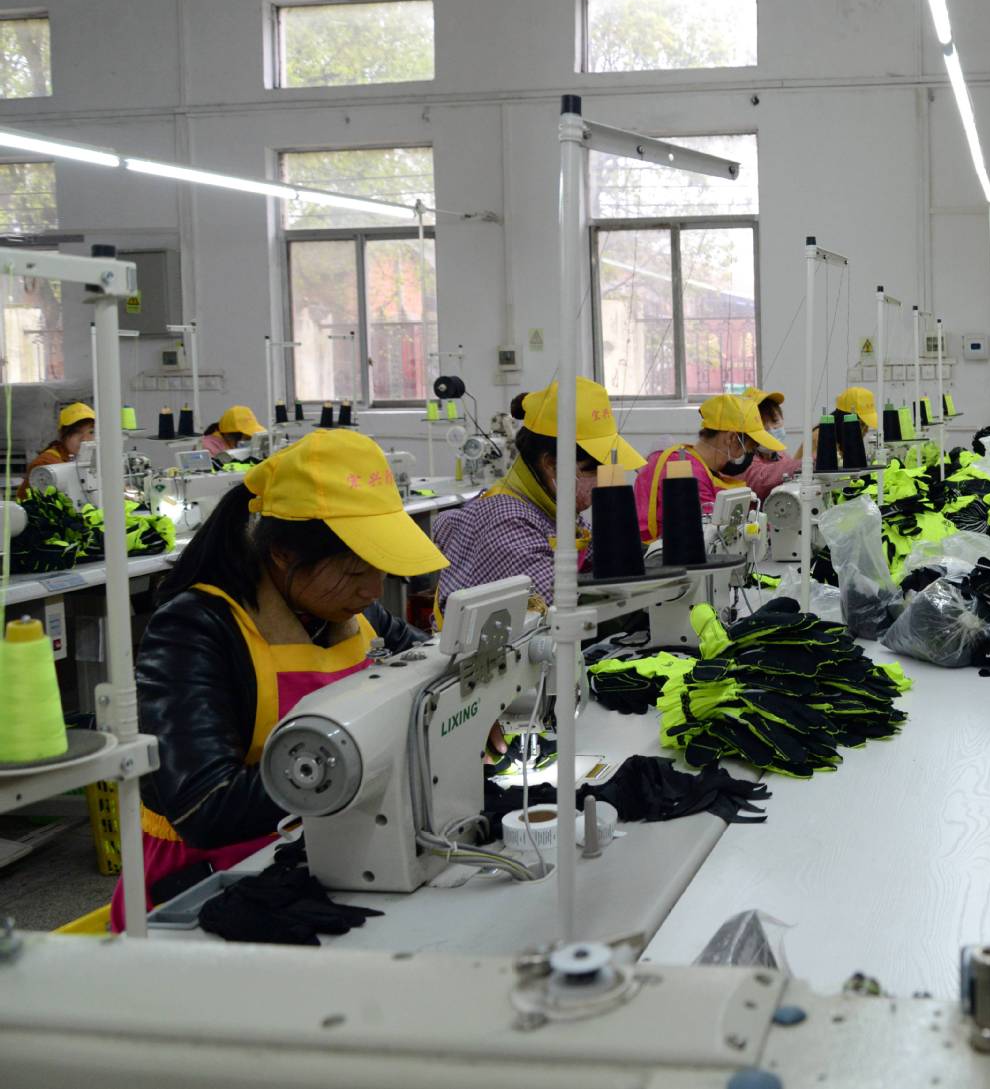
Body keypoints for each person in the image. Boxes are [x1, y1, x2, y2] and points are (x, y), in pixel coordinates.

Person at [112, 429, 446, 928]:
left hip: (320, 850)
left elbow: (429, 667)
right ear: (284, 553)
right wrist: (359, 759)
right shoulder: (195, 628)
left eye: (379, 570)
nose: (373, 590)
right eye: (355, 571)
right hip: (209, 888)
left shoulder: (351, 611)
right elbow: (205, 808)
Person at [434, 377, 638, 608]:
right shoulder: (507, 520)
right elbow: (560, 606)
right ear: (551, 464)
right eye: (595, 471)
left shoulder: (555, 510)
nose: (604, 481)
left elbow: (606, 557)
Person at [632, 393, 784, 543]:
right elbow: (715, 537)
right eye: (750, 447)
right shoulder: (688, 473)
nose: (748, 454)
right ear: (731, 438)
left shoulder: (700, 466)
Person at [725, 387, 803, 499]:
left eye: (775, 421)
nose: (770, 429)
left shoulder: (782, 455)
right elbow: (761, 480)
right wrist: (805, 464)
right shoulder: (741, 459)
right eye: (761, 424)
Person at [17, 401, 95, 499]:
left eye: (91, 432)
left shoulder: (89, 458)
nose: (85, 439)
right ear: (62, 434)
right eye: (76, 432)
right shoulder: (47, 463)